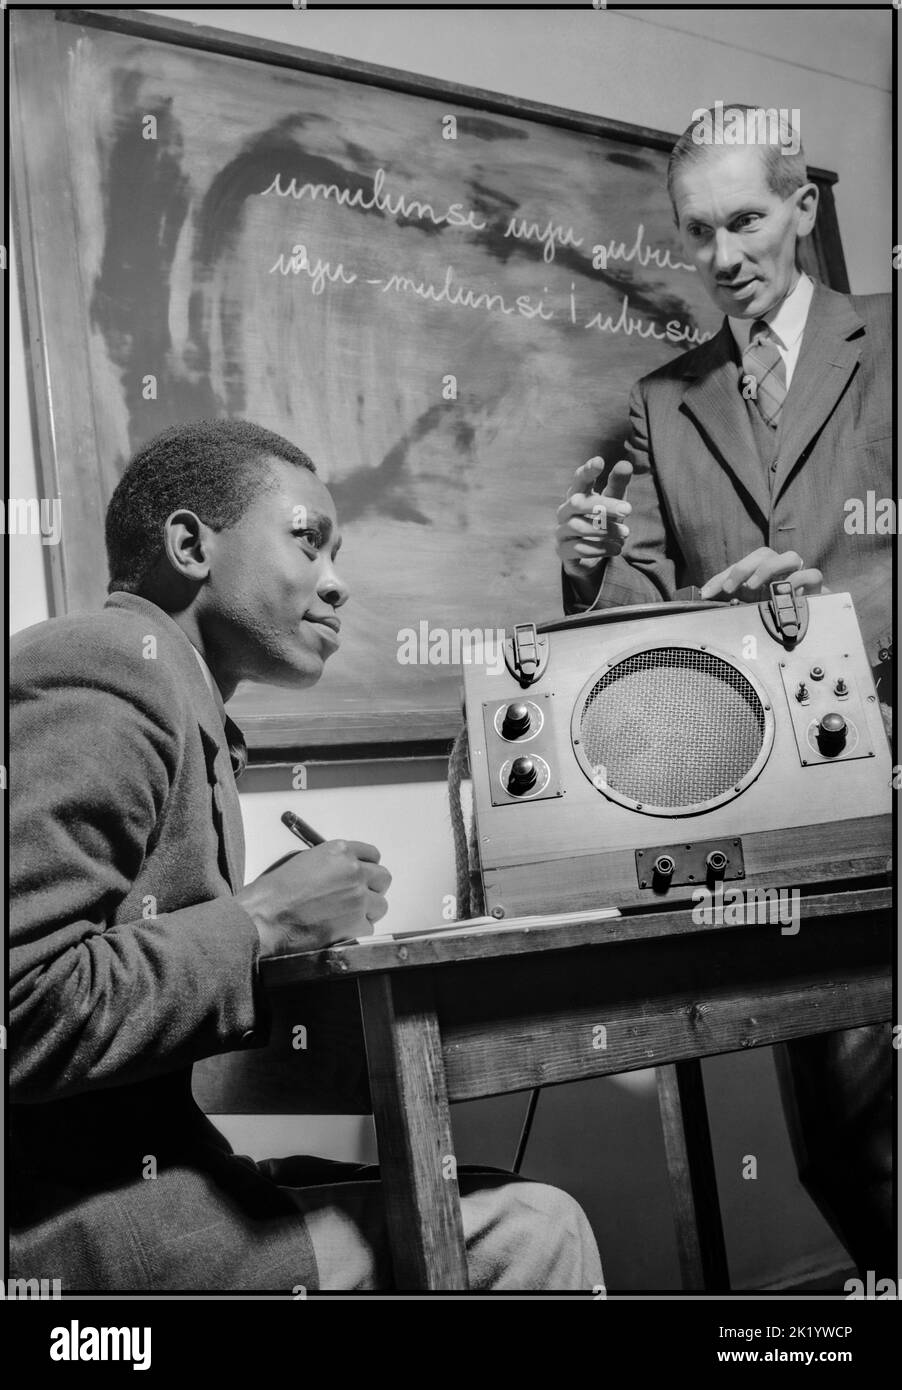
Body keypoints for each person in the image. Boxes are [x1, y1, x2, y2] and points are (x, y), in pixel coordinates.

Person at [10, 417, 603, 1293]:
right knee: (535, 1229)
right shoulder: (106, 667)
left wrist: (271, 930)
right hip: (70, 1227)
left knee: (478, 1191)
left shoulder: (183, 700)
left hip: (146, 1176)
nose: (337, 587)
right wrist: (263, 918)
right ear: (189, 545)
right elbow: (22, 1011)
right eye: (308, 543)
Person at [555, 105, 893, 1279]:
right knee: (844, 1145)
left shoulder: (888, 345)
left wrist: (830, 619)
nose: (722, 256)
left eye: (744, 220)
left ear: (802, 210)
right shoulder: (663, 402)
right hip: (779, 819)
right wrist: (588, 572)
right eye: (696, 232)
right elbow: (637, 624)